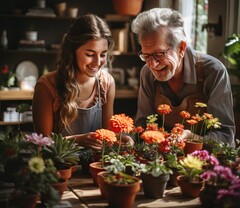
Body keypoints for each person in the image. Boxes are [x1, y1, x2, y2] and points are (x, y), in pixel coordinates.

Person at [131, 8, 236, 146]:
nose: (152, 64)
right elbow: (142, 124)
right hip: (162, 158)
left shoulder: (213, 71)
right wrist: (129, 138)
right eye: (146, 55)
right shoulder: (147, 73)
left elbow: (226, 137)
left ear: (181, 48)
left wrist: (192, 138)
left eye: (159, 54)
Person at [32, 14, 115, 150]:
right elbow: (42, 145)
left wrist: (121, 138)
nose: (98, 62)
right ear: (72, 51)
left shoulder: (107, 83)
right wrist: (78, 140)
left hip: (95, 168)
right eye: (90, 54)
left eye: (103, 54)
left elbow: (108, 136)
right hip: (59, 169)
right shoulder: (46, 86)